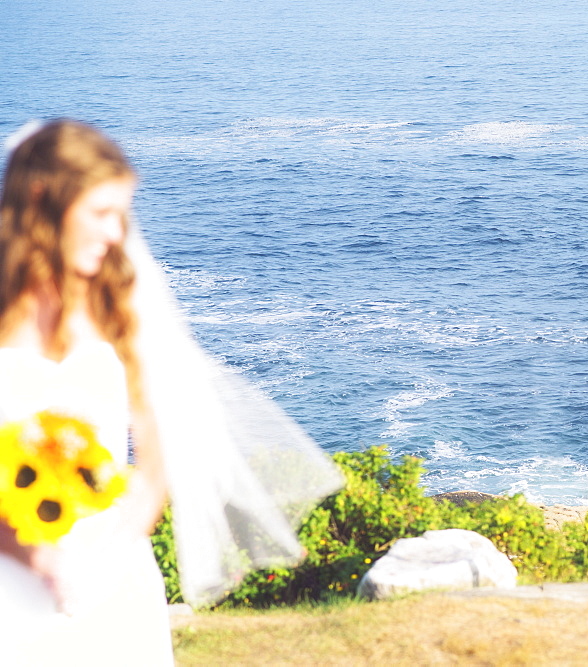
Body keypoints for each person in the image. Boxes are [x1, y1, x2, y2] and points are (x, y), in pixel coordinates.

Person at [0, 120, 343, 663]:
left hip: (111, 580)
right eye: (101, 213)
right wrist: (39, 560)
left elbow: (155, 469)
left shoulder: (119, 310)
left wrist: (99, 565)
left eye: (122, 215)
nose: (117, 234)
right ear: (43, 198)